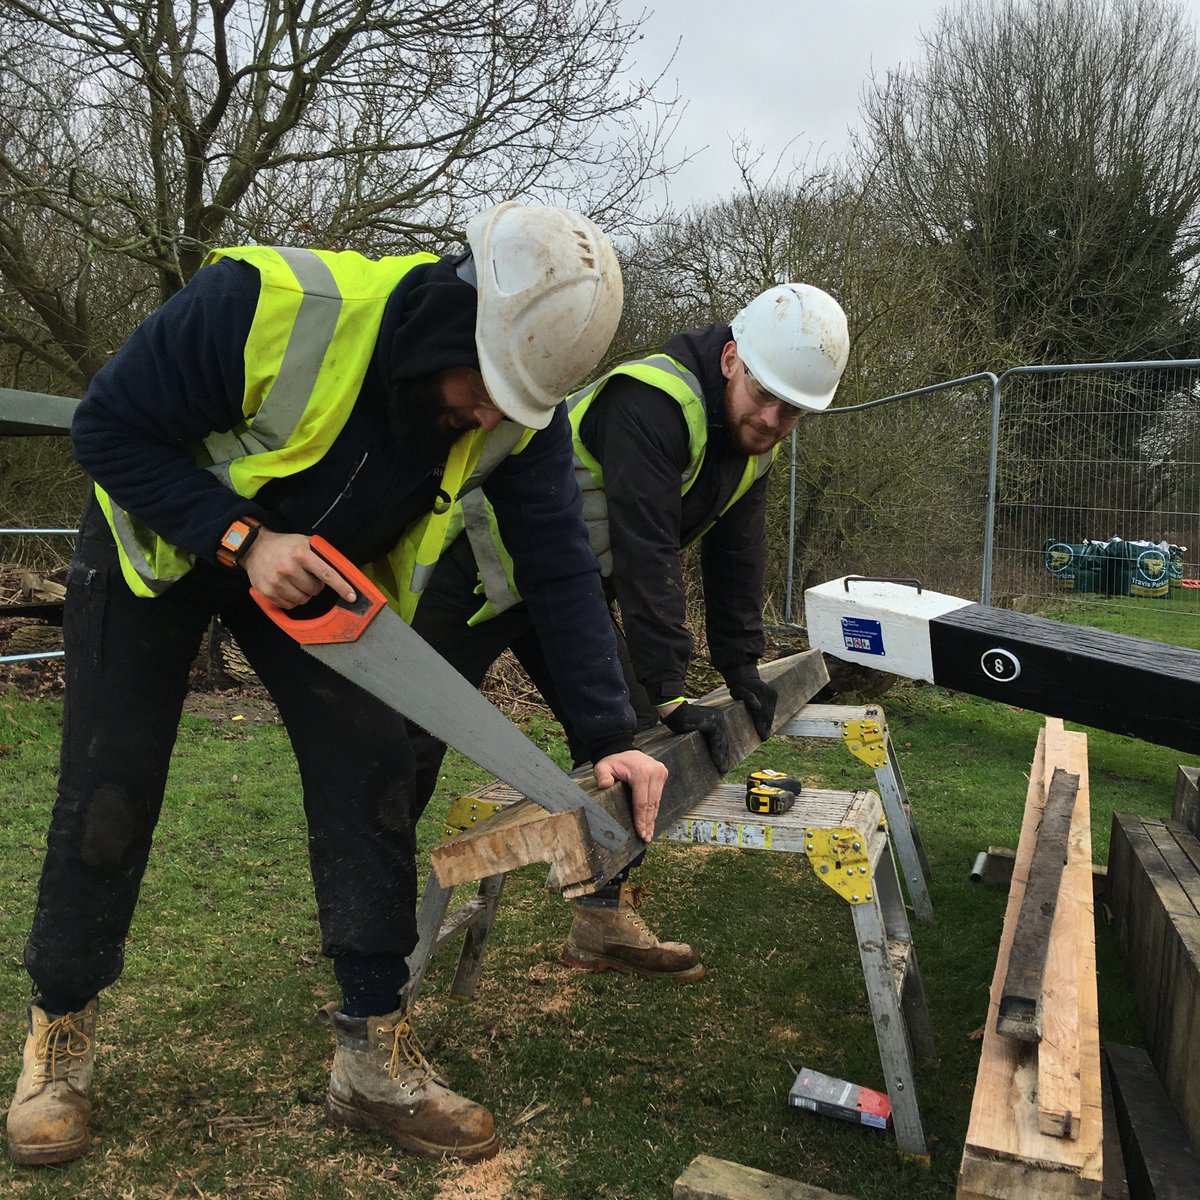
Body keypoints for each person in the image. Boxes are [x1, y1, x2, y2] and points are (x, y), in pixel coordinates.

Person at [5, 202, 668, 1168]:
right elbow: (107, 429)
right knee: (111, 788)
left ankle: (371, 1051)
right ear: (455, 323)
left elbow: (559, 567)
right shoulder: (266, 304)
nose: (489, 418)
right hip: (159, 548)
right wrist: (240, 538)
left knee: (373, 773)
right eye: (484, 388)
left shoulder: (521, 410)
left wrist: (609, 728)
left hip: (313, 583)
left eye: (513, 405)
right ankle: (59, 1032)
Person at [408, 282, 850, 981]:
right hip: (477, 567)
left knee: (633, 738)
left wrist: (740, 664)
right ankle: (377, 925)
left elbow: (738, 553)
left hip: (560, 593)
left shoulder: (750, 445)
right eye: (765, 397)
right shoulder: (651, 401)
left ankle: (602, 923)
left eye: (792, 412)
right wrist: (672, 682)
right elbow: (646, 551)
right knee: (408, 736)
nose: (771, 420)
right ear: (733, 359)